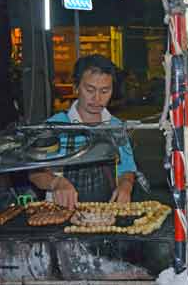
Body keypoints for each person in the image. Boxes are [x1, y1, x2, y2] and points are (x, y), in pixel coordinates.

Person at [29, 55, 137, 209]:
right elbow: (35, 173)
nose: (97, 98)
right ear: (76, 87)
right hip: (61, 213)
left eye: (105, 91)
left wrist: (126, 186)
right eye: (90, 90)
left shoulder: (116, 127)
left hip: (107, 213)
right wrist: (56, 182)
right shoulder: (55, 127)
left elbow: (126, 170)